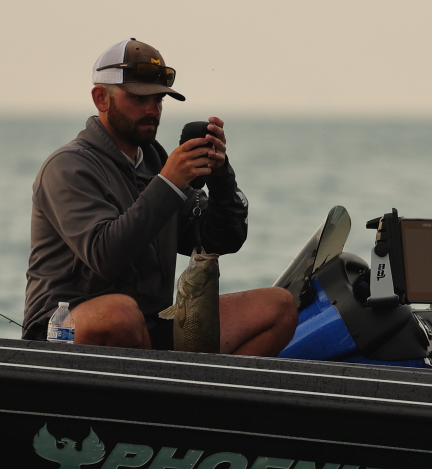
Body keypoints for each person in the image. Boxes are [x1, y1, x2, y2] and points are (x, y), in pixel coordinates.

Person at [23, 38, 297, 355]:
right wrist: (168, 183)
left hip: (152, 325)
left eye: (159, 99)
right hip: (63, 331)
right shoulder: (68, 167)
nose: (153, 110)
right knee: (121, 314)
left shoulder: (156, 164)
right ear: (101, 98)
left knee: (279, 307)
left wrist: (220, 174)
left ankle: (205, 388)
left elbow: (222, 239)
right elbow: (105, 257)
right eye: (139, 98)